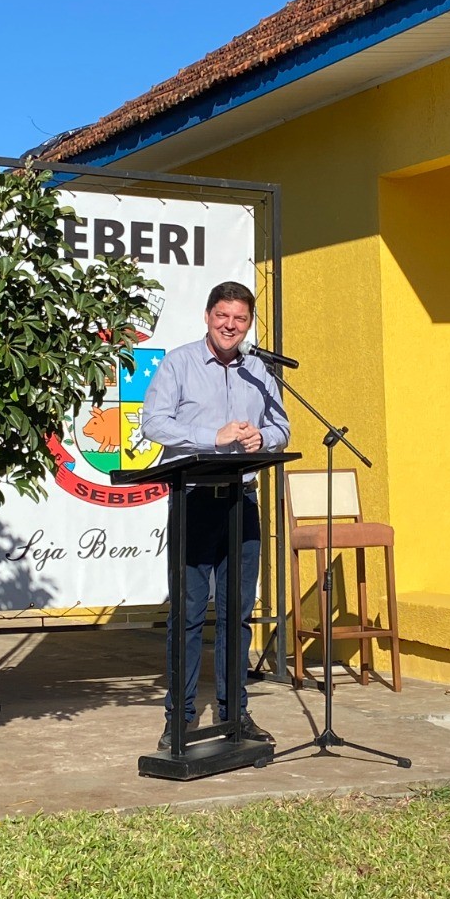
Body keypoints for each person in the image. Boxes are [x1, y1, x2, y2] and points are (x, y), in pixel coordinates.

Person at [141, 280, 290, 748]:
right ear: (208, 316)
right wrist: (215, 436)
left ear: (248, 324)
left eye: (240, 319)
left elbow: (281, 426)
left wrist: (260, 440)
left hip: (241, 501)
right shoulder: (179, 362)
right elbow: (154, 422)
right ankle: (179, 720)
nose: (230, 326)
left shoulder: (258, 372)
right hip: (193, 499)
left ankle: (235, 715)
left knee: (237, 616)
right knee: (187, 615)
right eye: (223, 316)